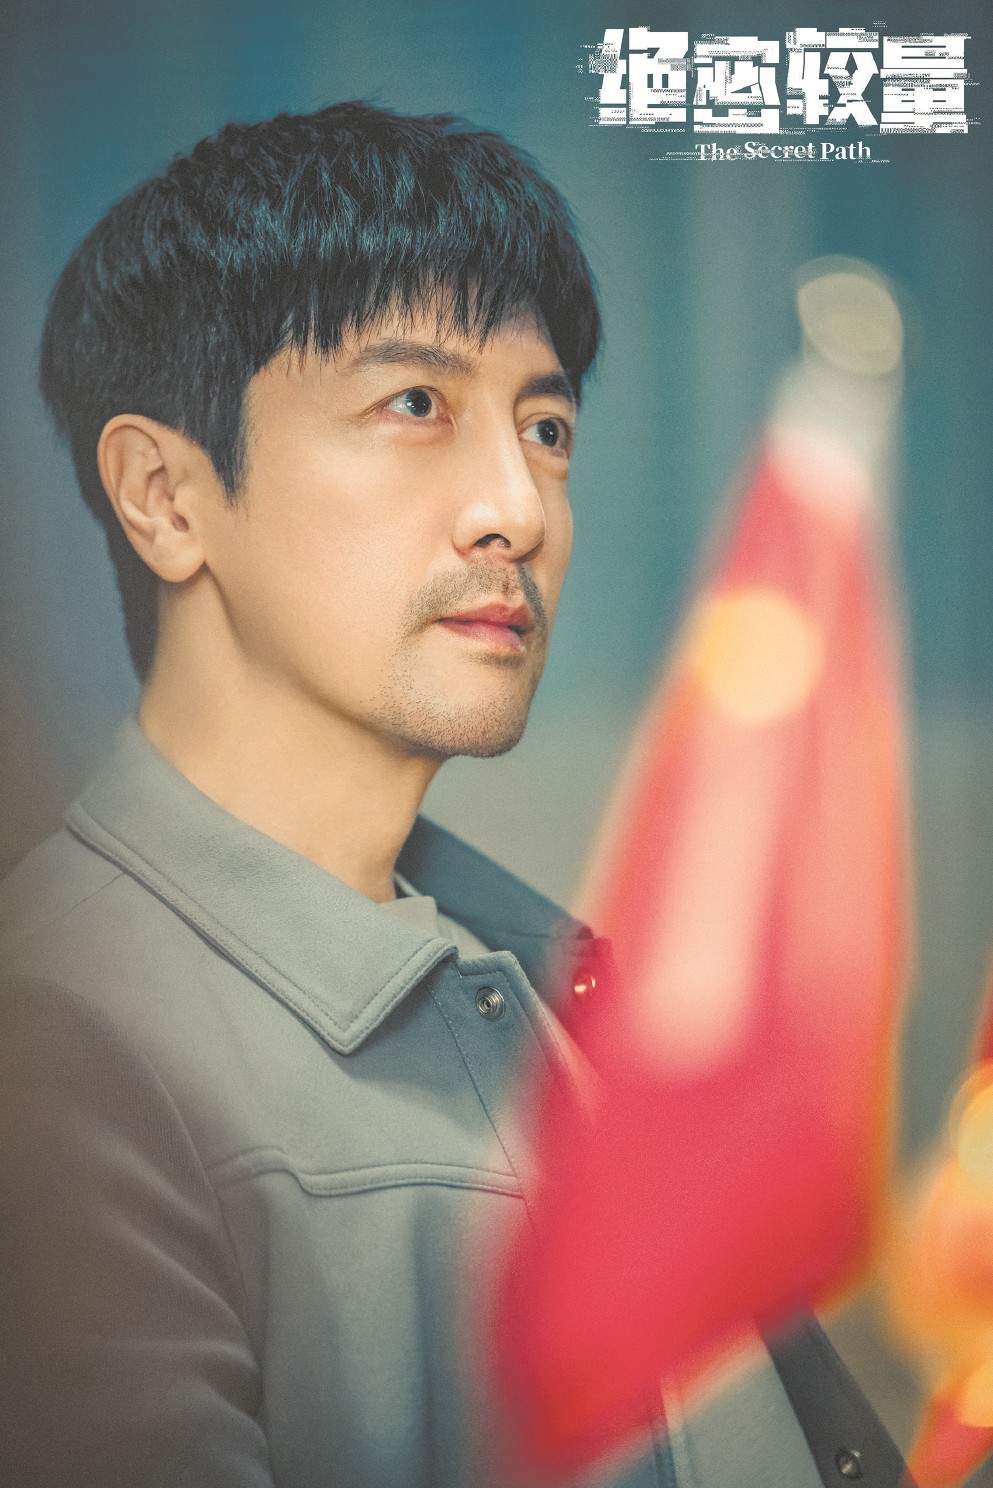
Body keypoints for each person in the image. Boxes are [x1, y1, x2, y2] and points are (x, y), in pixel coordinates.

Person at [0, 102, 910, 1488]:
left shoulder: (556, 982)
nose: (519, 509)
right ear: (167, 498)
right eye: (414, 405)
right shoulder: (60, 1043)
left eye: (545, 427)